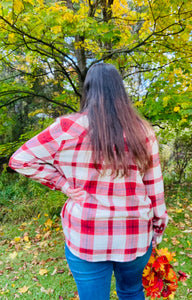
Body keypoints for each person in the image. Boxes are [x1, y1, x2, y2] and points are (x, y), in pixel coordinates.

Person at [9, 63, 168, 300]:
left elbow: (20, 160)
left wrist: (64, 185)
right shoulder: (142, 130)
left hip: (86, 232)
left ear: (89, 90)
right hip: (134, 231)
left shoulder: (67, 127)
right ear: (120, 90)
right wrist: (157, 228)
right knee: (132, 291)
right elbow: (154, 188)